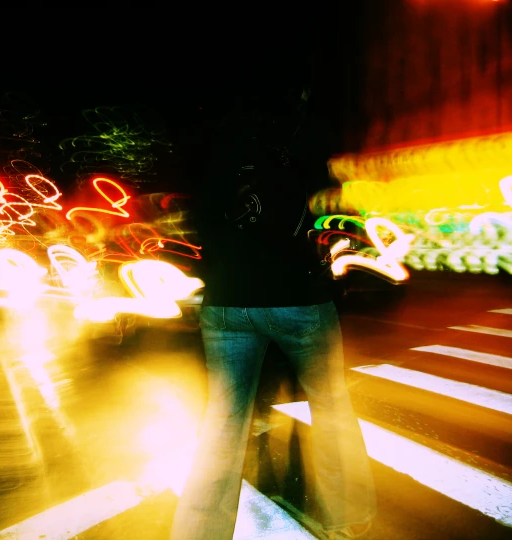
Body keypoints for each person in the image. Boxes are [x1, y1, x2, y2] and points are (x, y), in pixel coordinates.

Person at [168, 75, 377, 540]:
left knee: (223, 418)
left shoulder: (210, 146)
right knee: (330, 403)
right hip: (296, 297)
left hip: (226, 301)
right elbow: (330, 213)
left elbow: (198, 225)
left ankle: (199, 532)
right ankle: (346, 516)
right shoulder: (300, 140)